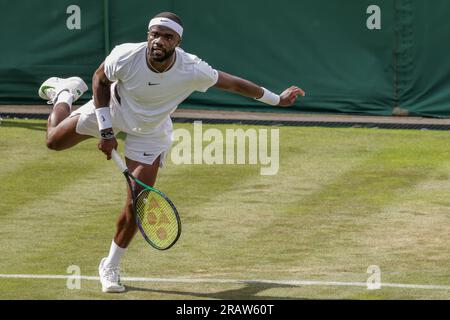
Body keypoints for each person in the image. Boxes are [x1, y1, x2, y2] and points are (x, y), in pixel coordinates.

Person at [38, 12, 305, 293]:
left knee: (138, 202)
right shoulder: (125, 55)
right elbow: (99, 80)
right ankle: (64, 93)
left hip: (151, 132)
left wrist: (277, 99)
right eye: (154, 34)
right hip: (113, 111)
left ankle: (110, 266)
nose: (159, 41)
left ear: (177, 42)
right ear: (148, 35)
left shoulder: (193, 69)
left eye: (167, 37)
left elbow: (235, 84)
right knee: (54, 141)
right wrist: (106, 131)